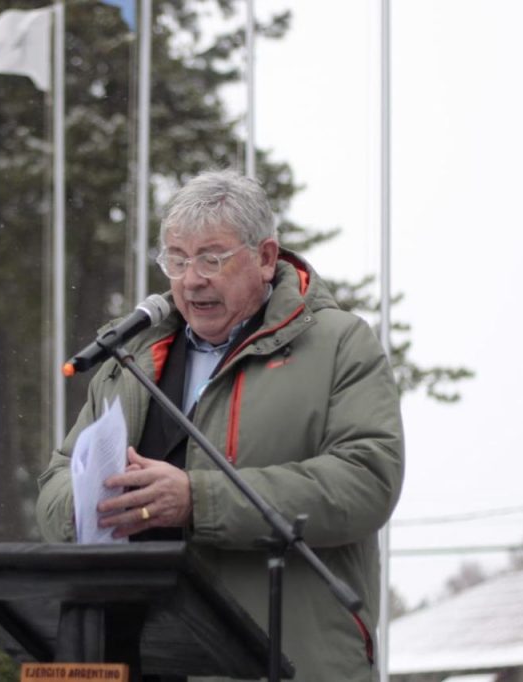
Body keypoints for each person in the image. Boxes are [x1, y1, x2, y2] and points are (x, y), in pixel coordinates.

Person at [36, 169, 404, 682]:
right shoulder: (131, 355)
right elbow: (56, 483)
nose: (192, 279)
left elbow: (366, 481)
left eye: (212, 259)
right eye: (177, 259)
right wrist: (93, 504)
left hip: (285, 661)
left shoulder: (341, 344)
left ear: (266, 257)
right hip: (137, 656)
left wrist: (197, 499)